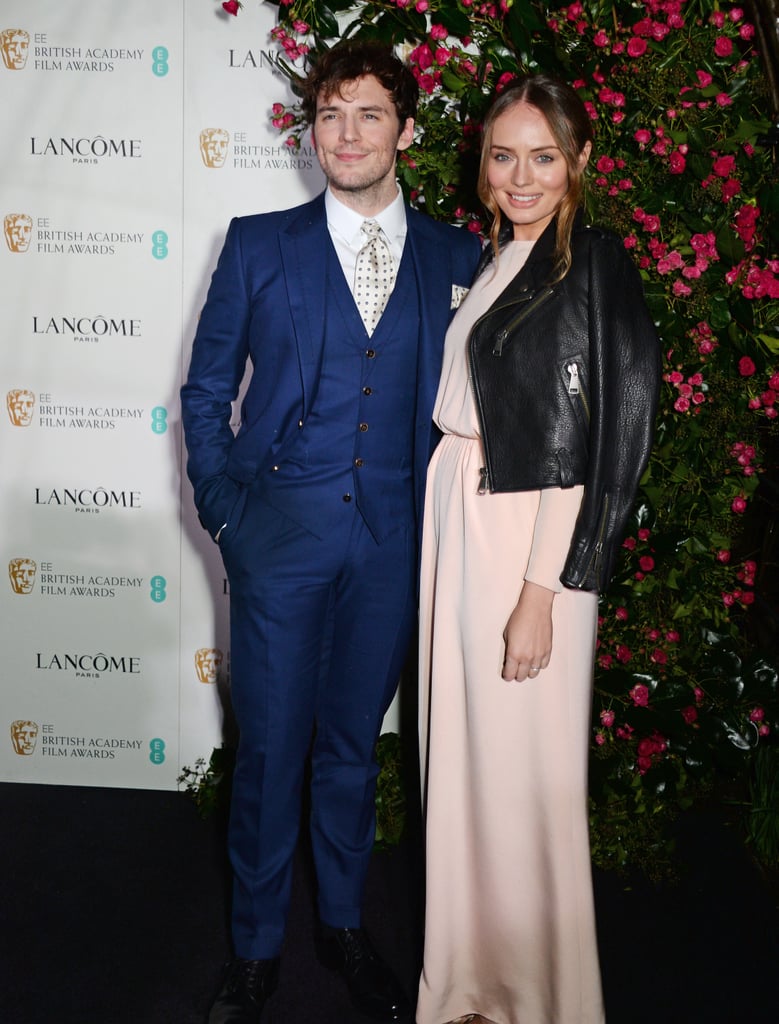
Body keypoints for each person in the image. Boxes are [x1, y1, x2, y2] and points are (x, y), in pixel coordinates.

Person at [180, 39, 481, 1024]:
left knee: (352, 747)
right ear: (311, 129)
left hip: (394, 546)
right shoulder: (259, 244)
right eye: (327, 115)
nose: (343, 135)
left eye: (365, 114)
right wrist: (228, 512)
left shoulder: (454, 254)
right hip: (279, 538)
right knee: (268, 749)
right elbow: (206, 389)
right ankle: (257, 948)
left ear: (404, 127)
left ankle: (344, 929)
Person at [416, 74, 660, 1024]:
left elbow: (588, 443)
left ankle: (539, 997)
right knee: (468, 764)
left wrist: (540, 592)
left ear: (580, 163)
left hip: (523, 535)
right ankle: (474, 985)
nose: (521, 175)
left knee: (522, 776)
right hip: (464, 515)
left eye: (543, 156)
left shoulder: (586, 263)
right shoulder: (497, 259)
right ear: (483, 165)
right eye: (503, 154)